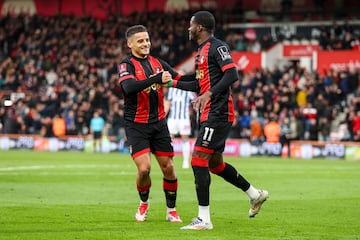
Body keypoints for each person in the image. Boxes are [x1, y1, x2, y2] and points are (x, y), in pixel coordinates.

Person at [177, 11, 269, 230]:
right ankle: (255, 194)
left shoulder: (217, 46)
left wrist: (209, 94)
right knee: (215, 164)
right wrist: (171, 81)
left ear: (199, 27)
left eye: (191, 25)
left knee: (198, 161)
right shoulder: (200, 52)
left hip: (217, 112)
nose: (188, 29)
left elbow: (232, 74)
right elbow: (197, 85)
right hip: (208, 113)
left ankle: (204, 219)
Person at [117, 25, 196, 223]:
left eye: (147, 40)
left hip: (159, 124)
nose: (145, 44)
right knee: (144, 169)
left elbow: (181, 80)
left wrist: (204, 77)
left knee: (168, 167)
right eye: (140, 41)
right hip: (136, 125)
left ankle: (171, 210)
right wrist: (156, 79)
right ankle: (144, 203)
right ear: (130, 44)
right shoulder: (126, 65)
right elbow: (128, 87)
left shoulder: (158, 63)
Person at [164, 87, 195, 168]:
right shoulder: (172, 89)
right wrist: (163, 115)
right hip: (173, 118)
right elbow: (168, 103)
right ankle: (169, 160)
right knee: (169, 139)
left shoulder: (188, 89)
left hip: (184, 118)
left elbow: (194, 100)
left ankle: (185, 162)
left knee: (185, 139)